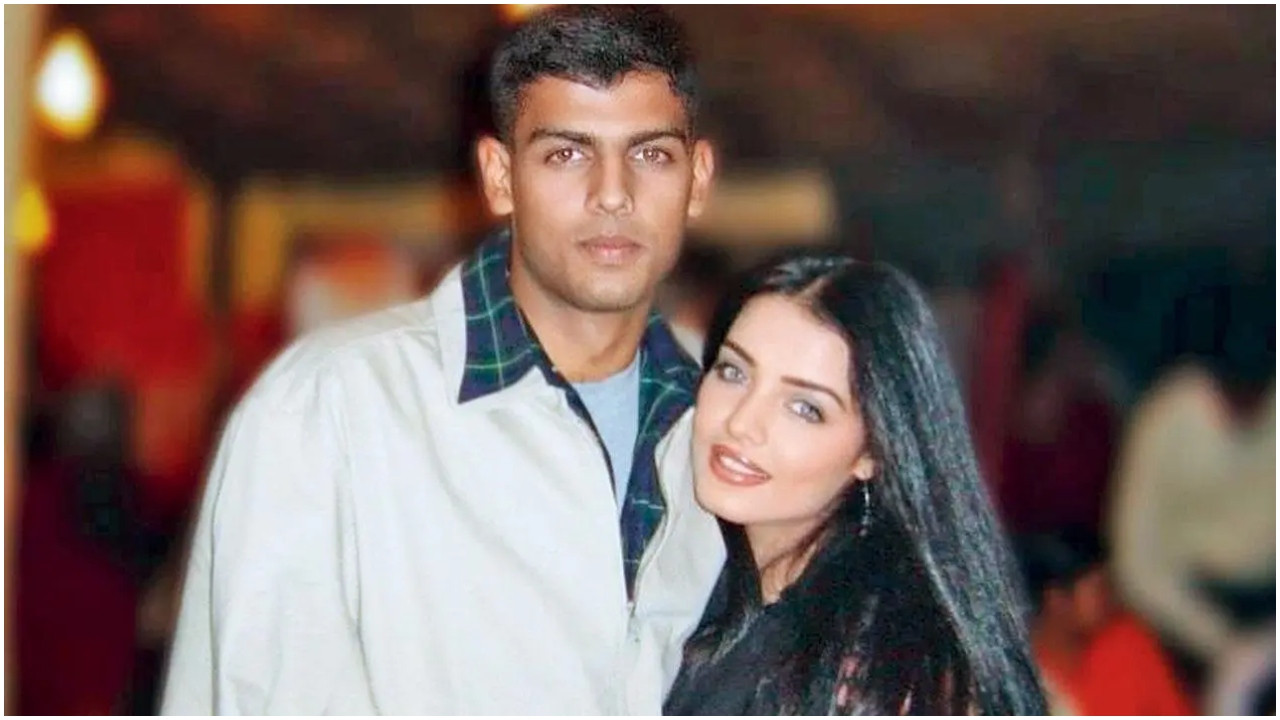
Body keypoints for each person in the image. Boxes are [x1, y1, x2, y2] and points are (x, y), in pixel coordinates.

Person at [160, 6, 723, 714]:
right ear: (499, 176)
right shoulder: (334, 406)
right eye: (566, 154)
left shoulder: (736, 417)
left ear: (698, 179)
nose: (612, 194)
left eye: (650, 155)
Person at [663, 250, 1047, 715]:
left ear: (873, 452)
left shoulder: (887, 666)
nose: (742, 422)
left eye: (805, 408)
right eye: (733, 372)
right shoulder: (701, 578)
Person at [1016, 530, 1194, 715]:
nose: (1110, 597)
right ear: (1057, 601)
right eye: (1099, 589)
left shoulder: (1129, 642)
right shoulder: (1021, 678)